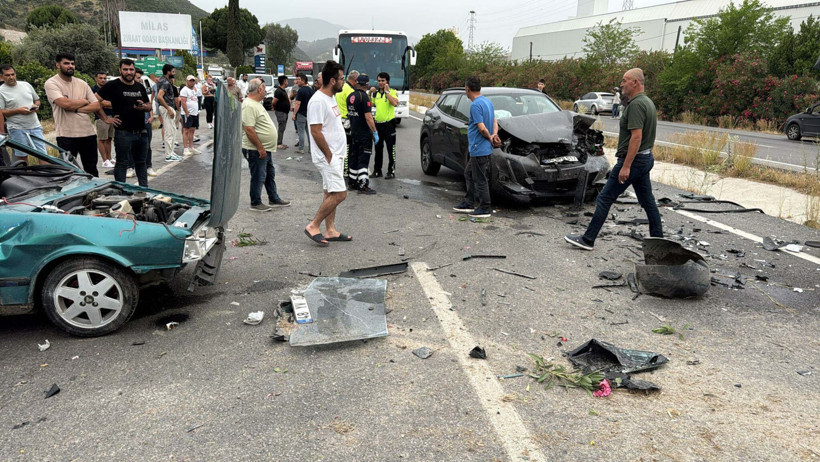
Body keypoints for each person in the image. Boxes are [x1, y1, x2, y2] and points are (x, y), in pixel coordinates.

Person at [565, 68, 662, 251]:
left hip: (633, 161)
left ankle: (588, 239)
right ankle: (659, 243)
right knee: (648, 202)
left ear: (635, 82)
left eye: (625, 80)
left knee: (604, 198)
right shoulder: (648, 102)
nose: (622, 84)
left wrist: (626, 166)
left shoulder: (636, 105)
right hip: (645, 158)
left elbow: (636, 137)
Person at [304, 60, 351, 246]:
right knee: (340, 194)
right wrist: (329, 155)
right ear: (332, 80)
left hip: (336, 155)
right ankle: (314, 225)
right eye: (341, 79)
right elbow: (315, 131)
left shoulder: (330, 98)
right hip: (328, 157)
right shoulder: (317, 101)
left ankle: (330, 230)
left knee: (329, 193)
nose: (343, 82)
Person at [44, 52, 103, 176]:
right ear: (57, 65)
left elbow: (96, 105)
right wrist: (84, 101)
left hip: (88, 132)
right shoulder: (52, 83)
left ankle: (94, 194)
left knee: (91, 169)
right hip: (66, 134)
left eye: (72, 63)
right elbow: (65, 104)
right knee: (68, 171)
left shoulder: (82, 83)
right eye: (66, 63)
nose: (70, 66)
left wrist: (77, 109)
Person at [95, 59, 152, 186]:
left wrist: (143, 107)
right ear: (120, 70)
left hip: (141, 132)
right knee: (122, 163)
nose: (128, 72)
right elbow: (95, 100)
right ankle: (121, 192)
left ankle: (144, 191)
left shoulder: (139, 86)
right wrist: (105, 118)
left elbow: (149, 105)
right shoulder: (112, 85)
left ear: (134, 70)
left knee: (141, 163)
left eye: (131, 69)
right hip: (123, 132)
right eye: (125, 69)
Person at [452, 76, 499, 219]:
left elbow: (481, 127)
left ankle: (485, 207)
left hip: (479, 147)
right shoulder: (487, 102)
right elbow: (494, 120)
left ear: (467, 88)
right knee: (469, 173)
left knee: (480, 178)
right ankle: (469, 202)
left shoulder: (475, 105)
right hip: (480, 148)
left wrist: (490, 136)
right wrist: (495, 134)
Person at [241, 78, 290, 212]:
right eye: (264, 87)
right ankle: (255, 202)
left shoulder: (256, 103)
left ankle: (273, 198)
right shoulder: (249, 105)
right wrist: (260, 147)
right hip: (255, 149)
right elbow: (248, 129)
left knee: (269, 173)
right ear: (259, 89)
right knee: (259, 175)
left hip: (263, 148)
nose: (266, 90)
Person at [0, 64, 47, 162]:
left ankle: (48, 176)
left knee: (43, 155)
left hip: (35, 125)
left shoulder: (26, 85)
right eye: (7, 75)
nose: (11, 77)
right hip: (16, 128)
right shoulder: (1, 91)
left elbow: (37, 100)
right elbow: (2, 112)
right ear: (1, 77)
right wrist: (18, 111)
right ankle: (24, 176)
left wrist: (36, 106)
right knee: (21, 157)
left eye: (13, 74)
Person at [347, 74, 378, 194]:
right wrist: (375, 132)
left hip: (354, 132)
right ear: (367, 84)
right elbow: (368, 117)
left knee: (353, 158)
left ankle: (352, 182)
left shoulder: (350, 96)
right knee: (363, 160)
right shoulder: (364, 97)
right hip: (364, 134)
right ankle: (363, 185)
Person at [371, 72, 398, 179]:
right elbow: (371, 104)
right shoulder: (377, 93)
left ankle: (391, 171)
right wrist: (370, 93)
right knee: (378, 149)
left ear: (387, 81)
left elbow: (395, 103)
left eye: (383, 81)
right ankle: (377, 171)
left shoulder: (393, 92)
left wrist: (387, 92)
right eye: (379, 81)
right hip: (378, 124)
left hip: (389, 125)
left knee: (391, 149)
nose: (380, 83)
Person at [90, 71, 117, 168]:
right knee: (102, 138)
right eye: (101, 78)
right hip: (100, 117)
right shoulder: (93, 90)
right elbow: (98, 103)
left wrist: (108, 103)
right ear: (96, 79)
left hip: (111, 116)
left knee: (109, 138)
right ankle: (104, 160)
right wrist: (106, 103)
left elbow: (113, 102)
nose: (103, 80)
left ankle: (109, 158)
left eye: (105, 78)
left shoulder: (109, 89)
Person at [156, 64, 182, 162]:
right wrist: (169, 109)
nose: (174, 73)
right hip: (167, 108)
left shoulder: (164, 81)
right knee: (169, 132)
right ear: (168, 72)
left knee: (172, 131)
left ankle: (171, 152)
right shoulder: (165, 83)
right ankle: (169, 155)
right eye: (173, 71)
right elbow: (159, 96)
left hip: (167, 107)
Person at [134, 68, 156, 177]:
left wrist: (151, 116)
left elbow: (148, 104)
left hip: (146, 121)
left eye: (140, 78)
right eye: (138, 78)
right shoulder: (127, 90)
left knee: (147, 145)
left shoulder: (141, 89)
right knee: (131, 146)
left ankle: (149, 166)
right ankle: (130, 167)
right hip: (133, 124)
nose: (139, 80)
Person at [179, 75, 201, 156]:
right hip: (187, 113)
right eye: (190, 81)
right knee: (186, 130)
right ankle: (185, 148)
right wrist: (186, 112)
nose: (192, 82)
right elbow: (183, 102)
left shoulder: (194, 89)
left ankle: (191, 147)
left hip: (195, 113)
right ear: (187, 81)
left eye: (193, 81)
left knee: (192, 130)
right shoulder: (184, 90)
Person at [292, 73, 313, 154]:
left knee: (301, 132)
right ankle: (311, 149)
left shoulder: (301, 91)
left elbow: (297, 103)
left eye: (299, 80)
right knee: (309, 133)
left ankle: (301, 148)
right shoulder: (311, 90)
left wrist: (294, 114)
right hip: (309, 114)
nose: (297, 81)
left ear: (303, 81)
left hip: (301, 114)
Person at [272, 75, 290, 150]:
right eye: (286, 81)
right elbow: (274, 102)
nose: (287, 82)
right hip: (281, 112)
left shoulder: (283, 90)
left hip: (285, 112)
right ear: (284, 82)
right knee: (281, 127)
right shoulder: (278, 91)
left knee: (283, 127)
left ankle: (280, 142)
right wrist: (275, 107)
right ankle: (278, 143)